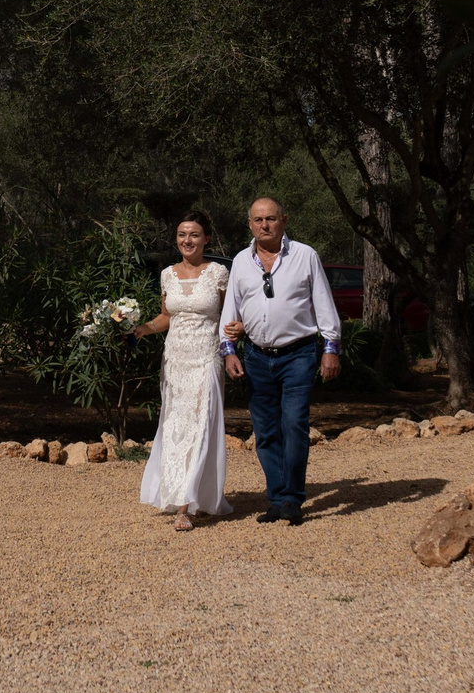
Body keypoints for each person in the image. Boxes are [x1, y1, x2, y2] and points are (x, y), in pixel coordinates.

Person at [219, 196, 342, 524]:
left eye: (271, 219)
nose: (265, 225)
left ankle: (292, 498)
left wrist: (331, 348)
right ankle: (276, 497)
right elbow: (231, 311)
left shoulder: (305, 256)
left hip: (298, 355)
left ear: (283, 221)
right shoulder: (241, 262)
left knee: (294, 425)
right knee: (266, 430)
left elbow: (324, 304)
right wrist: (228, 351)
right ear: (250, 224)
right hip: (257, 357)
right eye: (258, 220)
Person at [131, 212, 231, 530]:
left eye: (194, 234)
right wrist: (140, 330)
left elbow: (230, 315)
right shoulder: (167, 275)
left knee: (200, 426)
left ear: (206, 239)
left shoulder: (218, 273)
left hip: (205, 358)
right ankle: (181, 494)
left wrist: (233, 343)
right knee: (176, 426)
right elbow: (166, 317)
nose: (187, 240)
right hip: (174, 360)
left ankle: (185, 506)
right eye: (181, 234)